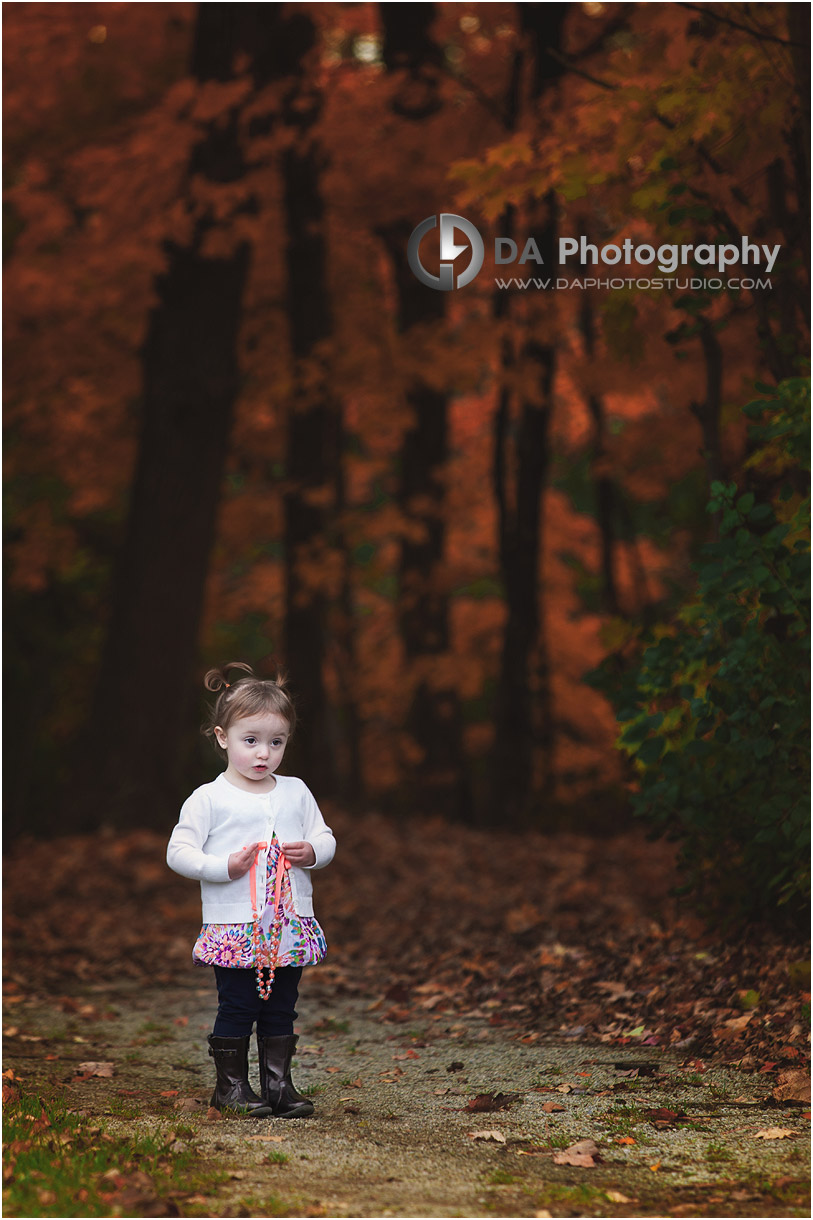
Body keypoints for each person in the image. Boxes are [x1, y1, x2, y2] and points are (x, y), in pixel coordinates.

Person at [167, 662, 336, 1118]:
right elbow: (178, 852)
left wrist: (312, 852)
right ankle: (231, 1088)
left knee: (282, 1006)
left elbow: (326, 838)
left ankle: (279, 1086)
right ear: (222, 737)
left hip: (288, 924)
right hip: (235, 924)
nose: (264, 753)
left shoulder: (296, 792)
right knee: (239, 1004)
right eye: (251, 741)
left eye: (275, 742)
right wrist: (223, 865)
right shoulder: (209, 798)